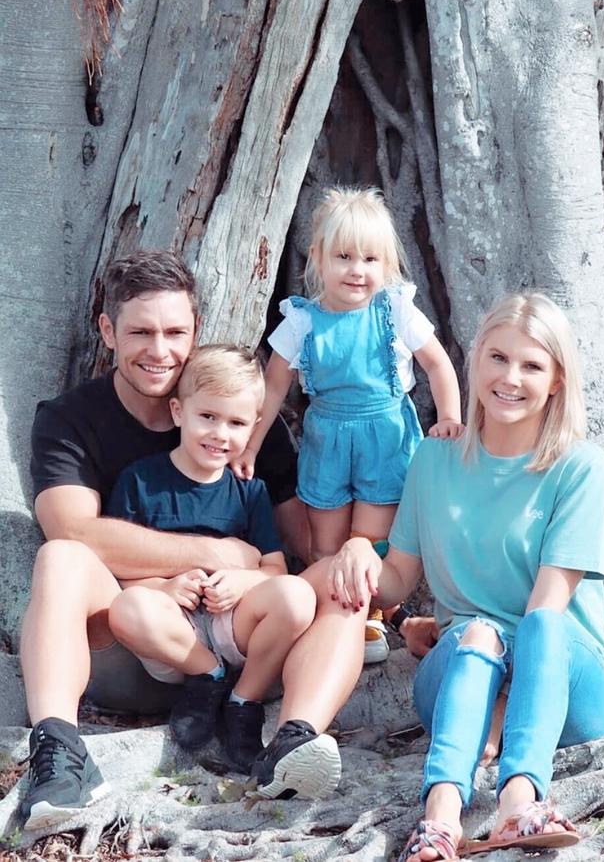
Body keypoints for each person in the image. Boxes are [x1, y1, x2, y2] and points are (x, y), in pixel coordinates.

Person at [327, 293, 604, 860]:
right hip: (463, 676)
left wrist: (500, 710)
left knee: (534, 624)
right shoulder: (434, 459)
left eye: (532, 365)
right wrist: (361, 550)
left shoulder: (580, 468)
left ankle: (518, 802)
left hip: (568, 681)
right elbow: (396, 578)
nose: (510, 378)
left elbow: (547, 608)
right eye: (497, 358)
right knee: (479, 632)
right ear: (474, 361)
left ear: (557, 380)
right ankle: (441, 819)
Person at [21, 249, 309, 830]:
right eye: (140, 332)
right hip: (131, 640)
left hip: (236, 642)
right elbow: (71, 529)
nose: (159, 350)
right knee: (60, 557)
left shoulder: (241, 418)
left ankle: (273, 727)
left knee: (314, 589)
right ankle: (58, 751)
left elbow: (295, 543)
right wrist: (214, 553)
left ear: (195, 330)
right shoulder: (72, 419)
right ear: (108, 331)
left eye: (175, 331)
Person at [233, 186, 463, 662]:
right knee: (327, 542)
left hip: (385, 437)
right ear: (318, 257)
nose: (357, 270)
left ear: (387, 264)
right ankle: (333, 609)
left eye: (370, 259)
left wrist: (450, 419)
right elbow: (272, 388)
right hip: (327, 441)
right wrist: (251, 446)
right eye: (343, 256)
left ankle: (372, 616)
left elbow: (438, 366)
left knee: (370, 538)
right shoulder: (302, 321)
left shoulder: (395, 310)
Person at [105, 344, 316, 772]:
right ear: (179, 411)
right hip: (174, 634)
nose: (221, 434)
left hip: (229, 622)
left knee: (296, 595)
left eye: (236, 423)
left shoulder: (249, 491)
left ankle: (244, 701)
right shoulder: (141, 480)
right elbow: (119, 572)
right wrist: (163, 587)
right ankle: (208, 677)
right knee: (127, 607)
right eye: (208, 417)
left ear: (254, 427)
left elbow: (274, 567)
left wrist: (244, 582)